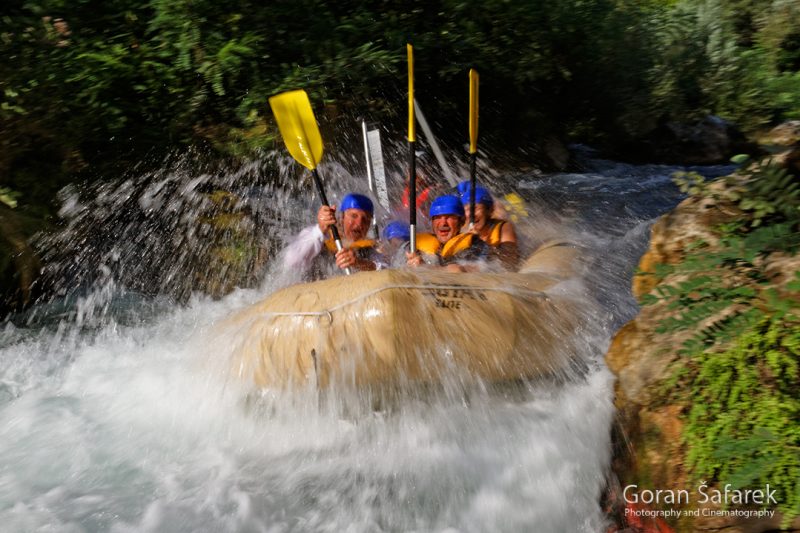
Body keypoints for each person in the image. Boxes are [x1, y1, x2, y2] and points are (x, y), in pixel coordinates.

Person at [283, 193, 385, 279]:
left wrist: (359, 263)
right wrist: (321, 230)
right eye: (354, 216)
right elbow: (291, 261)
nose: (359, 223)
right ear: (342, 217)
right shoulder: (319, 235)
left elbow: (387, 271)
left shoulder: (371, 247)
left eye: (366, 219)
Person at [406, 194, 488, 272]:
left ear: (462, 221)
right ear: (432, 222)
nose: (443, 223)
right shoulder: (414, 247)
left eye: (449, 217)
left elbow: (459, 271)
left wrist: (425, 268)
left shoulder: (476, 246)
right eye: (437, 217)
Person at [461, 185, 519, 269]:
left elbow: (510, 263)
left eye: (476, 209)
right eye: (467, 209)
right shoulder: (463, 230)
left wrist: (479, 242)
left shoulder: (504, 228)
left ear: (489, 210)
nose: (471, 215)